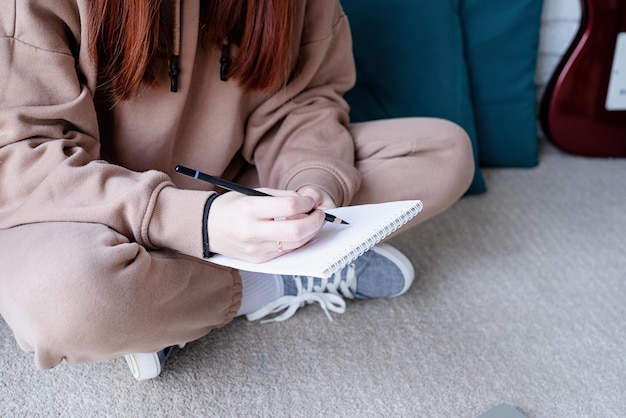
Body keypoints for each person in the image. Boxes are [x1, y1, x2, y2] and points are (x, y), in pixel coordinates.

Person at [0, 0, 474, 380]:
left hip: (234, 186)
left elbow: (303, 100)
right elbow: (25, 155)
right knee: (67, 303)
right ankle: (283, 277)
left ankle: (165, 306)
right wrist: (196, 222)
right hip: (81, 211)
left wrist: (312, 183)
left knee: (444, 154)